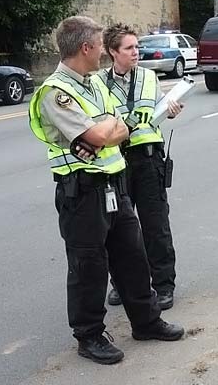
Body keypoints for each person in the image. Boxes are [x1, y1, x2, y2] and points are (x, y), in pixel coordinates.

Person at [28, 16, 184, 365]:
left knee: (132, 256)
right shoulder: (56, 92)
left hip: (115, 183)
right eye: (100, 45)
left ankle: (146, 322)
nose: (102, 52)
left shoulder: (93, 85)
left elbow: (120, 126)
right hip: (82, 191)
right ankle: (89, 336)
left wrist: (105, 131)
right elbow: (102, 133)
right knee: (89, 267)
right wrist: (104, 130)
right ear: (86, 48)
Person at [93, 23, 182, 311]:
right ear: (112, 52)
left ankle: (163, 285)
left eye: (137, 47)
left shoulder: (148, 77)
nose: (136, 52)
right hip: (116, 161)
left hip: (147, 158)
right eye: (130, 48)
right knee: (118, 230)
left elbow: (158, 109)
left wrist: (171, 110)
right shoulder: (97, 82)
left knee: (156, 225)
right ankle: (123, 284)